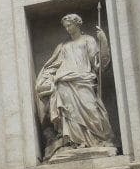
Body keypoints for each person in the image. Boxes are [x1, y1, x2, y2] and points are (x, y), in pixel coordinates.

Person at [34, 13, 114, 160]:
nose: (67, 28)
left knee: (91, 110)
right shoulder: (63, 46)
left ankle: (97, 140)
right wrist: (47, 78)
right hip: (64, 82)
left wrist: (103, 42)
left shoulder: (88, 40)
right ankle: (74, 143)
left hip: (84, 80)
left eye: (70, 25)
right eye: (65, 26)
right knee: (69, 114)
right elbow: (52, 65)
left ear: (78, 24)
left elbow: (99, 65)